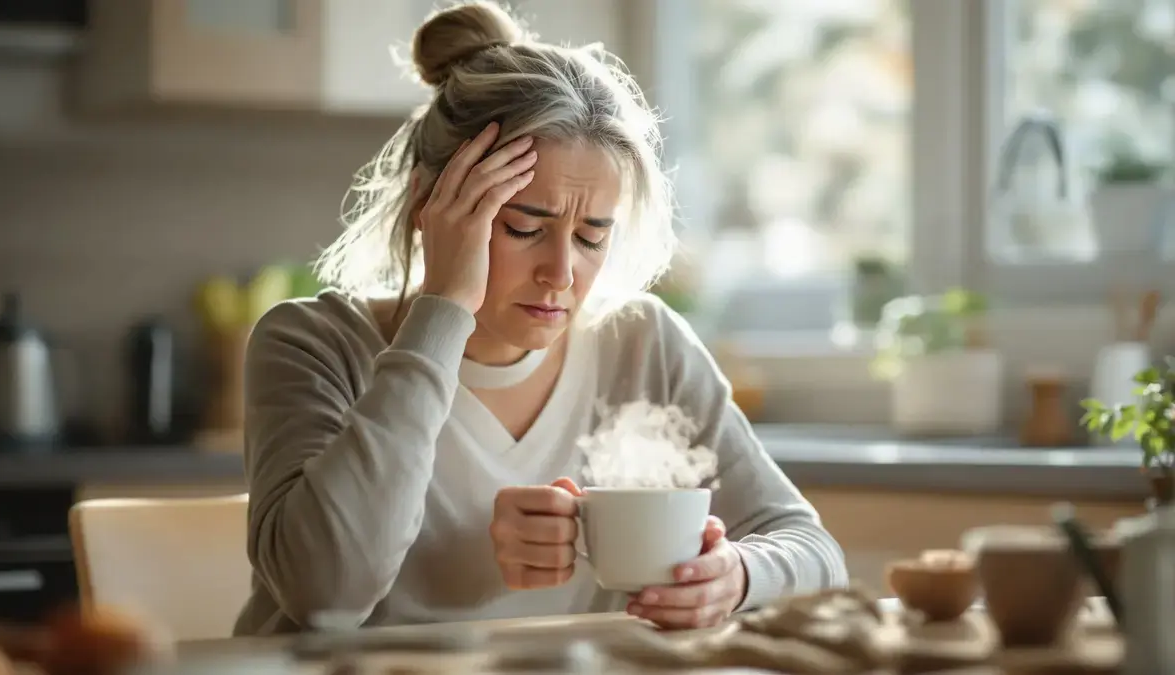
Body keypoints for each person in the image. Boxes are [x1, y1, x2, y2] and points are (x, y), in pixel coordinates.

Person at [233, 0, 847, 637]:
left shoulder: (642, 344)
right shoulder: (309, 345)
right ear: (431, 206)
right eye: (524, 227)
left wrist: (736, 575)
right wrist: (444, 311)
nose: (561, 274)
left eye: (591, 238)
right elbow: (325, 598)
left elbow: (814, 550)